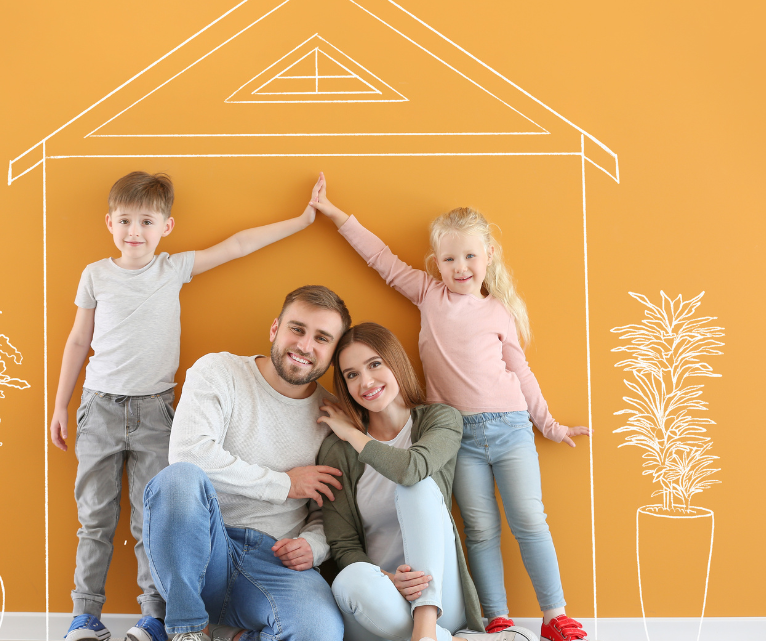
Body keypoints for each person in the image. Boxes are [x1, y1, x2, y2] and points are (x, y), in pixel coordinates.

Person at [310, 174, 592, 641]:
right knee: (479, 527)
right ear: (435, 263)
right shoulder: (427, 294)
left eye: (470, 257)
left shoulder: (499, 311)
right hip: (457, 435)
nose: (460, 267)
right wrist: (339, 216)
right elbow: (381, 258)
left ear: (489, 257)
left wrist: (548, 422)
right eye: (449, 259)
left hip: (510, 426)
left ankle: (554, 614)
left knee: (529, 520)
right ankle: (497, 619)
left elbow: (520, 372)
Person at [49, 172, 319, 641]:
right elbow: (78, 340)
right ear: (109, 222)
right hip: (100, 408)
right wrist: (61, 405)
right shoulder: (95, 274)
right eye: (126, 221)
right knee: (94, 517)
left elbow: (236, 246)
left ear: (166, 227)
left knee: (149, 517)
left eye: (147, 221)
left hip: (155, 411)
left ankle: (153, 617)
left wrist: (300, 221)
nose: (135, 231)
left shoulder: (171, 268)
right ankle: (85, 616)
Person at [143, 285, 352, 641]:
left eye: (322, 338)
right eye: (297, 329)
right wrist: (284, 484)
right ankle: (190, 630)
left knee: (320, 632)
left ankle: (226, 635)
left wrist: (314, 546)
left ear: (333, 353)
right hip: (204, 548)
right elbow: (189, 454)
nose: (304, 346)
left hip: (274, 561)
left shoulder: (331, 417)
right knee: (178, 479)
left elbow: (325, 507)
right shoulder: (218, 371)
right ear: (275, 329)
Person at [317, 323, 537, 641]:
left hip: (442, 596)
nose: (365, 382)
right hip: (380, 599)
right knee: (348, 580)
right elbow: (344, 544)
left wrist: (352, 434)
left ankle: (426, 630)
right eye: (351, 375)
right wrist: (388, 579)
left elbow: (410, 469)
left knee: (417, 485)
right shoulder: (337, 451)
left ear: (395, 361)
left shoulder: (440, 419)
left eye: (374, 364)